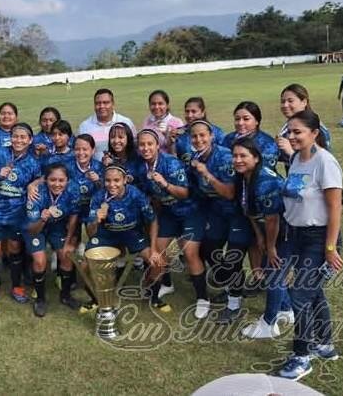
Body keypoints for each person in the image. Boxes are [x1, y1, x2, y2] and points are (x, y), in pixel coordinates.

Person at [277, 109, 343, 381]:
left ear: (314, 133)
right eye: (289, 132)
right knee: (313, 292)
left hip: (320, 238)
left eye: (298, 132)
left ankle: (302, 356)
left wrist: (330, 248)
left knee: (299, 296)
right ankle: (325, 345)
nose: (292, 136)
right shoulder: (295, 159)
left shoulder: (325, 163)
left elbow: (335, 207)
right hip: (298, 235)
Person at [187, 121, 252, 322]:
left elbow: (229, 193)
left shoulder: (224, 156)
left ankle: (234, 303)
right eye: (195, 136)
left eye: (202, 135)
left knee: (233, 256)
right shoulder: (195, 158)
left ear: (211, 135)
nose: (199, 140)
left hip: (238, 212)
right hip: (216, 213)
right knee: (208, 248)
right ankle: (230, 285)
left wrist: (206, 173)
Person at [135, 128, 205, 315]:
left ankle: (202, 298)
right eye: (142, 144)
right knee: (157, 252)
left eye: (150, 144)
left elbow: (185, 193)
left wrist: (165, 184)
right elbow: (152, 197)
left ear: (158, 145)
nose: (146, 148)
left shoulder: (171, 163)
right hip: (167, 213)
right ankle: (164, 286)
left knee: (190, 252)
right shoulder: (142, 167)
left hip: (189, 211)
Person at [231, 138, 293, 338]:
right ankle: (287, 309)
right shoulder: (243, 177)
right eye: (235, 155)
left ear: (256, 158)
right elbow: (249, 210)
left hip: (287, 229)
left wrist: (271, 245)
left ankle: (269, 323)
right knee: (271, 270)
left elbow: (273, 218)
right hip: (269, 230)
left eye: (243, 156)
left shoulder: (265, 181)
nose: (237, 160)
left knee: (273, 273)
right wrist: (259, 236)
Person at [0, 123, 41, 312]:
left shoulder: (32, 162)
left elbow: (41, 178)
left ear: (30, 140)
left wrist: (34, 183)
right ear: (10, 137)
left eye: (23, 137)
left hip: (16, 214)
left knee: (15, 250)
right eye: (15, 136)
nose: (18, 140)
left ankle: (16, 287)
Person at [85, 165, 166, 310]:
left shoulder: (136, 195)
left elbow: (152, 219)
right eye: (108, 180)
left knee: (158, 262)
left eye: (116, 180)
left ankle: (153, 297)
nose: (112, 184)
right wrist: (95, 220)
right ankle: (95, 299)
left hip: (132, 233)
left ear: (125, 180)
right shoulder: (98, 197)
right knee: (86, 265)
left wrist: (153, 249)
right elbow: (91, 233)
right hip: (107, 234)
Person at [24, 163, 81, 317]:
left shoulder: (73, 190)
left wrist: (68, 243)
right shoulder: (37, 193)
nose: (57, 184)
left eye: (61, 180)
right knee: (40, 261)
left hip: (58, 227)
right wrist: (42, 219)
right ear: (45, 180)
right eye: (52, 180)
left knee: (66, 257)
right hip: (37, 227)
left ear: (67, 181)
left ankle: (66, 295)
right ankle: (40, 299)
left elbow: (74, 218)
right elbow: (32, 229)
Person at [277, 84, 331, 172]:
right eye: (283, 101)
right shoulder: (289, 125)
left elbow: (319, 164)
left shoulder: (316, 129)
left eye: (290, 101)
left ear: (304, 102)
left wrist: (291, 152)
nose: (285, 105)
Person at [78, 88, 136, 160]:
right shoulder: (85, 126)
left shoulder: (126, 122)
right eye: (98, 103)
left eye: (106, 103)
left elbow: (134, 147)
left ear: (113, 104)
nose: (102, 106)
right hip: (96, 169)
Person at [223, 101, 279, 172]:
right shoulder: (229, 138)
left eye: (246, 119)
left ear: (257, 121)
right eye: (237, 119)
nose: (240, 123)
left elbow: (265, 171)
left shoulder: (268, 143)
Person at [171, 97, 225, 164]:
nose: (189, 115)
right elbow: (174, 161)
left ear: (203, 112)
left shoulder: (217, 133)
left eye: (194, 111)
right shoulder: (178, 134)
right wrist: (171, 144)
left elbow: (225, 157)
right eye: (187, 111)